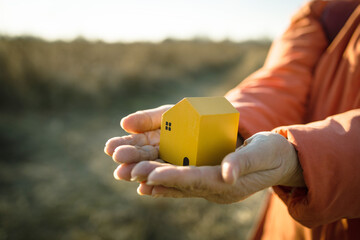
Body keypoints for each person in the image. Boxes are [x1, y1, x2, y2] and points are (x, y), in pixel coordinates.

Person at [104, 0, 360, 239]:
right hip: (290, 227)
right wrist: (235, 124)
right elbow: (283, 81)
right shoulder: (323, 11)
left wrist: (301, 159)